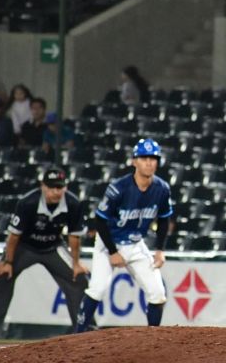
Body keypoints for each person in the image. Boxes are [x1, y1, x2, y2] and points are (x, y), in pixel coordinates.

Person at [0, 168, 88, 345]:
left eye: (60, 187)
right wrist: (8, 261)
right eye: (51, 188)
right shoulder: (28, 202)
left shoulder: (73, 203)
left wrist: (76, 263)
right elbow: (14, 236)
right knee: (3, 276)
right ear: (43, 186)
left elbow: (74, 236)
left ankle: (86, 331)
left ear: (65, 187)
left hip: (53, 246)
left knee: (78, 278)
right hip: (24, 246)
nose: (56, 192)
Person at [75, 138, 173, 332]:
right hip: (108, 243)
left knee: (158, 293)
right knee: (97, 289)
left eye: (153, 158)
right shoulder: (118, 188)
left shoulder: (162, 188)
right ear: (134, 161)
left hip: (136, 244)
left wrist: (160, 250)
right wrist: (112, 252)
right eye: (144, 158)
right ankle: (76, 337)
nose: (149, 162)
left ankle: (152, 339)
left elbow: (164, 219)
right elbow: (100, 220)